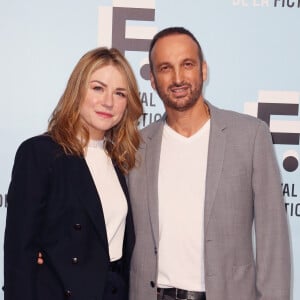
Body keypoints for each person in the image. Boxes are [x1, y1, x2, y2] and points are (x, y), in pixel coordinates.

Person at [127, 27, 291, 300]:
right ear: (153, 81)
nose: (178, 78)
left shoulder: (249, 136)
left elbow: (272, 238)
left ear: (203, 70)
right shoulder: (136, 145)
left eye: (187, 65)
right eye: (165, 68)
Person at [4, 47, 143, 300]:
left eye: (119, 93)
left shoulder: (120, 161)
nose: (108, 102)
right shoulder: (40, 153)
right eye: (98, 88)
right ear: (77, 90)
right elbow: (19, 255)